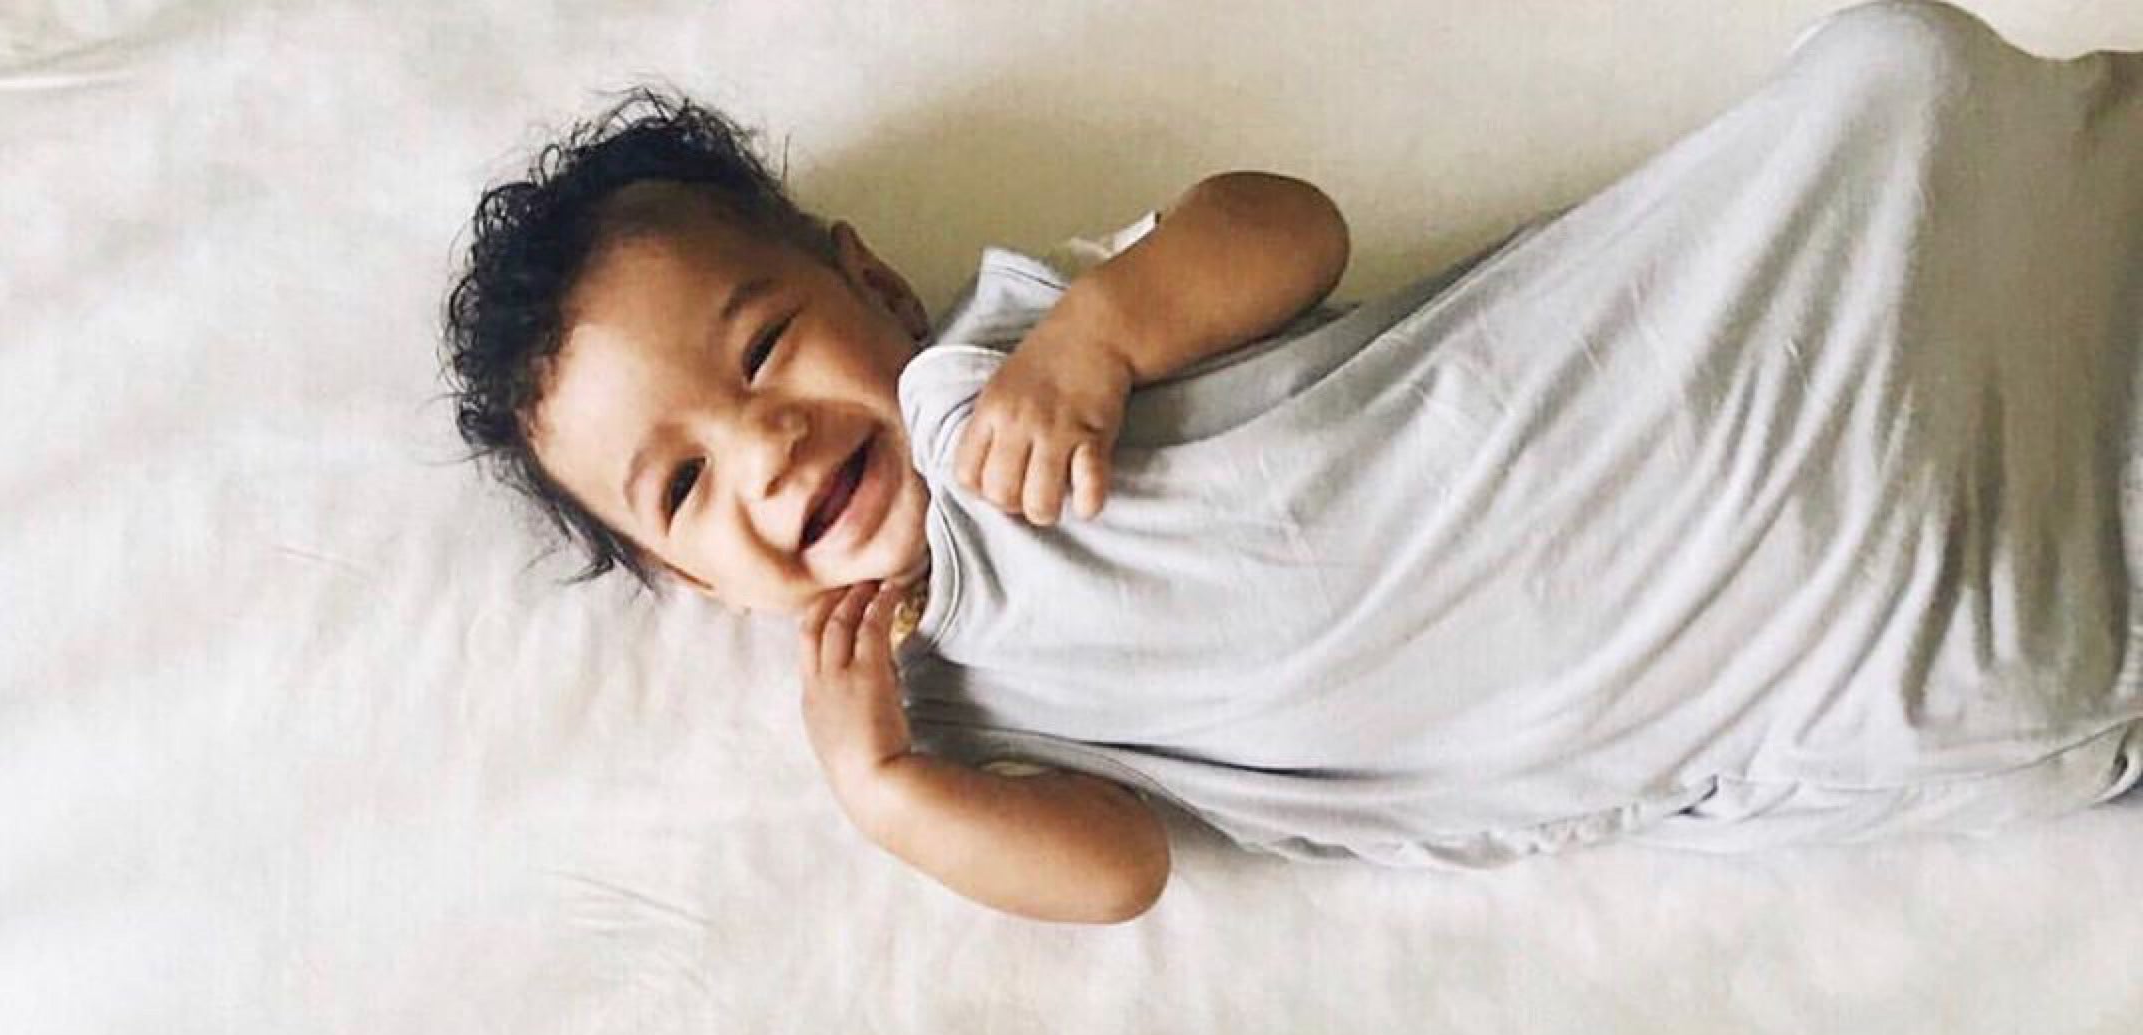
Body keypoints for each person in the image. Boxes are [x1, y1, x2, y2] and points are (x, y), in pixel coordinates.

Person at [441, 0, 2143, 925]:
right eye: (679, 490)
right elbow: (1119, 875)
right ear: (688, 581)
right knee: (1984, 658)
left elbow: (1290, 233)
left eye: (761, 349)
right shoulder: (938, 702)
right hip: (1733, 652)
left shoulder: (1006, 359)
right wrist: (889, 791)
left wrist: (1101, 336)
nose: (766, 445)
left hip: (1615, 405)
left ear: (870, 281)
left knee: (1889, 96)